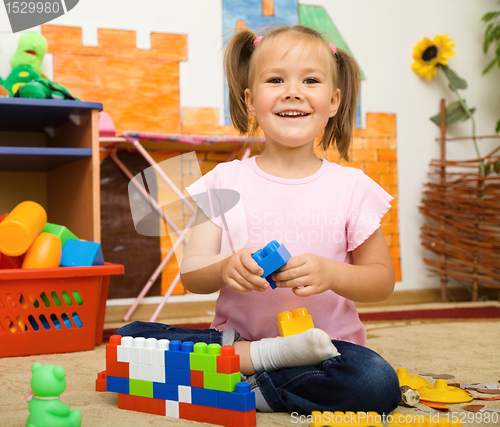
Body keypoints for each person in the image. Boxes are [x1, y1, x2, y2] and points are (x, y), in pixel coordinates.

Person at [117, 25, 401, 415]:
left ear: (334, 101)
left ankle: (239, 382)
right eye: (275, 80)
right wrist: (226, 267)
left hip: (325, 350)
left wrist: (332, 274)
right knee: (131, 335)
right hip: (237, 343)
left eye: (311, 80)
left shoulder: (352, 187)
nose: (292, 91)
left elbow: (382, 280)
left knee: (375, 382)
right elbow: (192, 274)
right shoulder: (222, 182)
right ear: (250, 100)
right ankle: (254, 368)